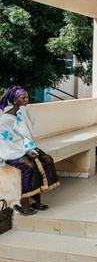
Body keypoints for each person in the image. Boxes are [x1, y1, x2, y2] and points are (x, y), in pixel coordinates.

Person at [0, 86, 60, 215]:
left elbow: (27, 134)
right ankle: (24, 203)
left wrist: (30, 149)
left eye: (27, 97)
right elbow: (6, 142)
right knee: (29, 167)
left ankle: (37, 201)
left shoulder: (22, 113)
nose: (26, 100)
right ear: (15, 100)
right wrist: (26, 151)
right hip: (10, 151)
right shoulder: (5, 119)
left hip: (25, 147)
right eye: (23, 98)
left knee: (46, 160)